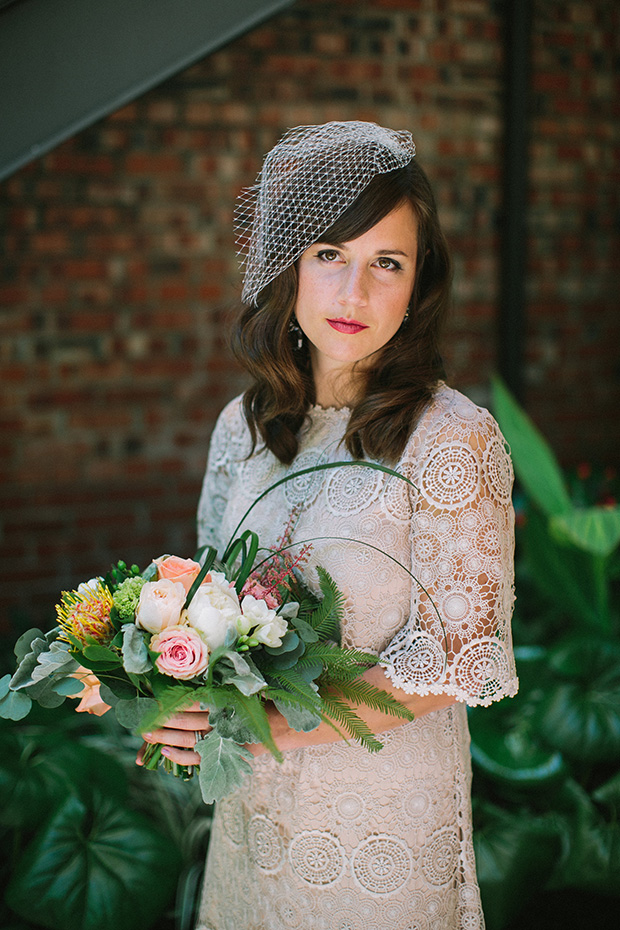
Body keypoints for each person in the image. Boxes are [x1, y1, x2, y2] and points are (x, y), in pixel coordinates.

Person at [139, 121, 517, 930]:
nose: (355, 294)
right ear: (291, 270)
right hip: (251, 824)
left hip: (379, 824)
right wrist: (176, 697)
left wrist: (268, 727)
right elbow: (208, 608)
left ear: (418, 286)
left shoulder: (453, 440)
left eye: (388, 263)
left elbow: (458, 662)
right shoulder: (240, 427)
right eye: (330, 256)